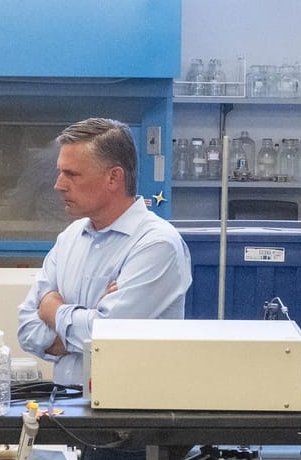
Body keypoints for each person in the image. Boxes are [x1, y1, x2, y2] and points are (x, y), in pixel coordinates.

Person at [17, 117, 192, 388]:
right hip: (67, 409)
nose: (59, 185)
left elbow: (108, 338)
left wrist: (53, 309)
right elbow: (27, 329)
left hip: (131, 418)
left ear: (114, 178)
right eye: (60, 172)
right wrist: (90, 320)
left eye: (72, 174)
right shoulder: (70, 238)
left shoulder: (157, 245)